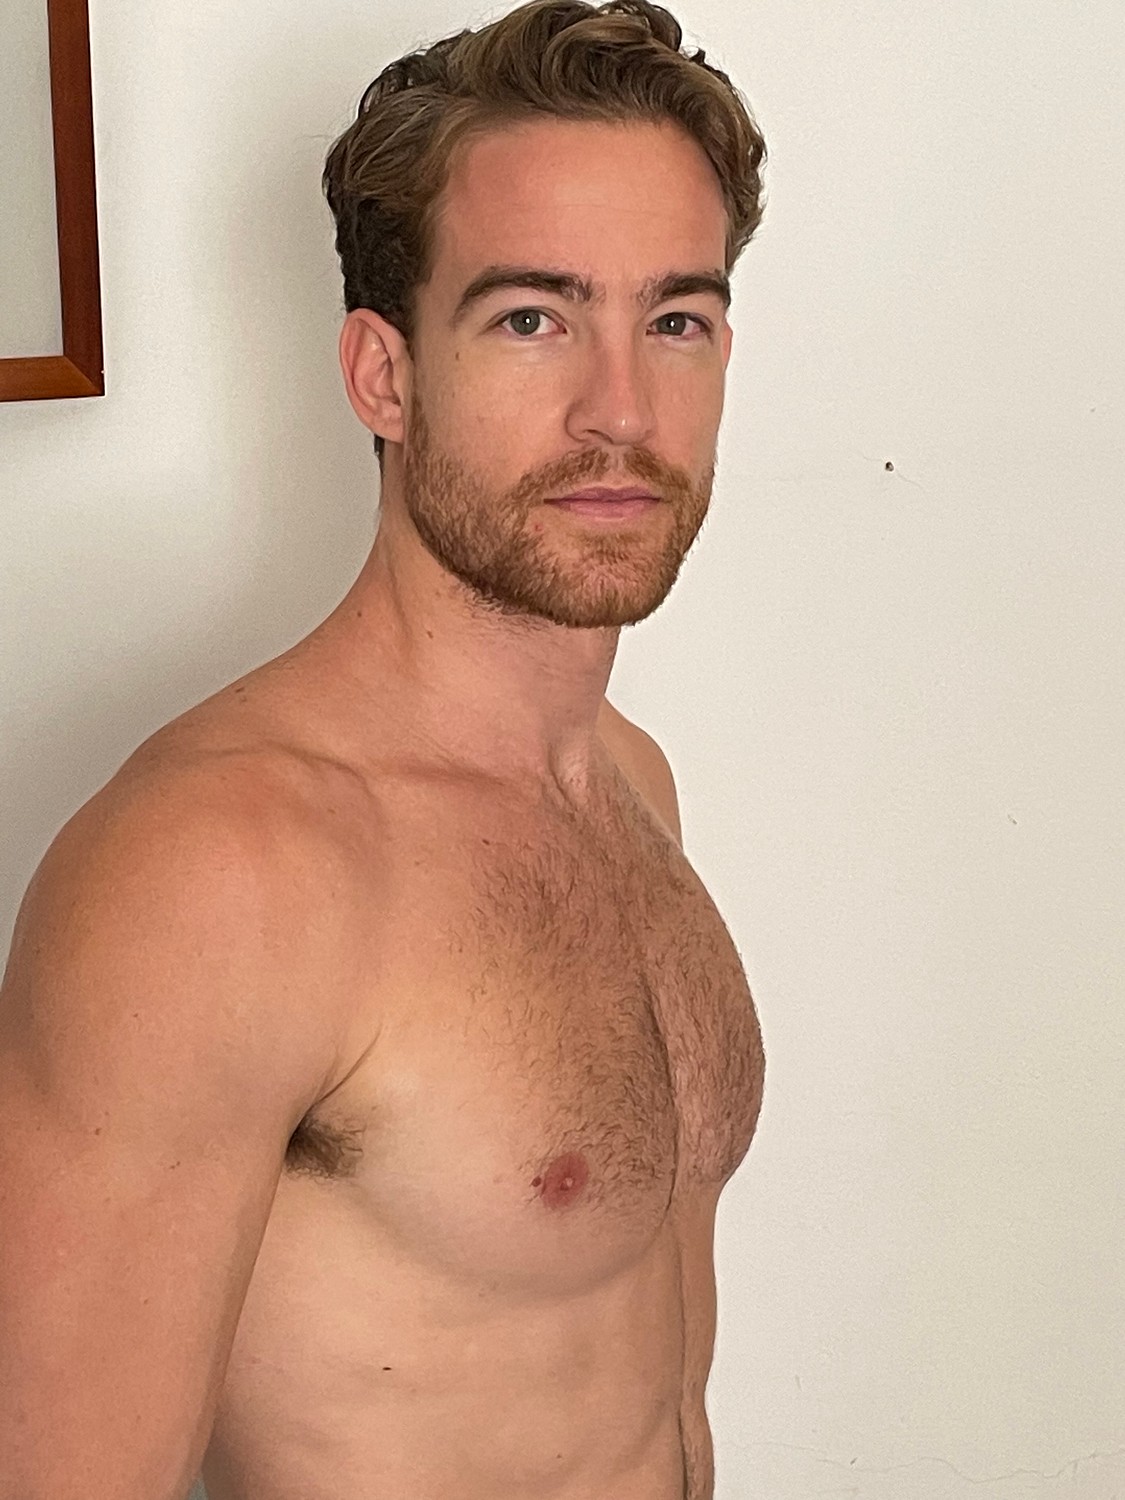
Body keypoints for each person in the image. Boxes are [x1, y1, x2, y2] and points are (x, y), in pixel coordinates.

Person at [0, 1, 768, 1495]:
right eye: (533, 318)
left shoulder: (628, 780)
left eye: (674, 319)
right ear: (383, 374)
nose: (621, 408)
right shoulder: (220, 874)